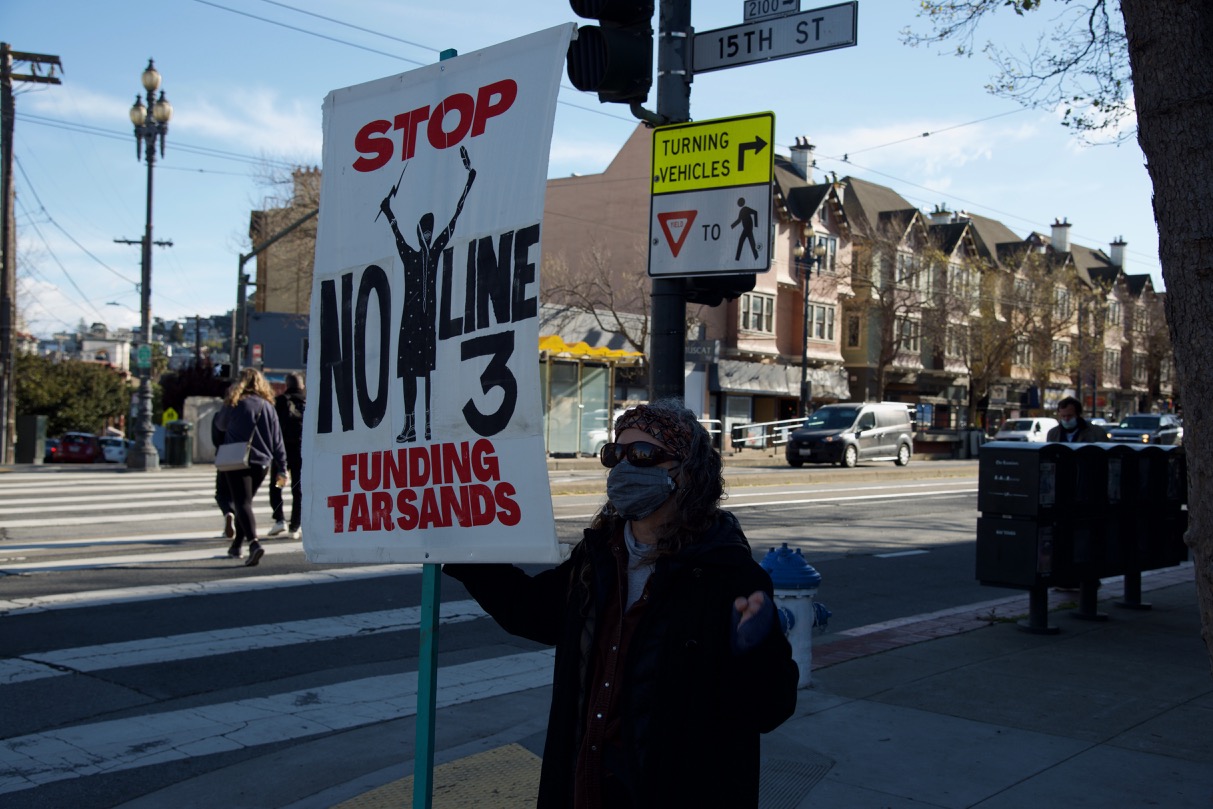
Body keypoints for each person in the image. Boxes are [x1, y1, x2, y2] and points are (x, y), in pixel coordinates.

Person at [445, 399, 798, 808]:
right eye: (615, 453)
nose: (624, 467)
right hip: (587, 788)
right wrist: (463, 555)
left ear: (687, 472)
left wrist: (758, 650)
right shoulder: (596, 558)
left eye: (643, 454)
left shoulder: (729, 576)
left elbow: (767, 711)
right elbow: (531, 612)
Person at [215, 368, 287, 566]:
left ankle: (254, 544)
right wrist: (282, 467)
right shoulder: (268, 406)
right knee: (245, 502)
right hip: (262, 463)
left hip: (237, 459)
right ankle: (236, 546)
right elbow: (277, 441)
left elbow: (220, 425)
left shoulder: (235, 402)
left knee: (242, 503)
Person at [267, 372, 305, 540]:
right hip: (300, 452)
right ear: (302, 385)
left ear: (286, 385)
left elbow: (272, 428)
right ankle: (295, 526)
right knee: (298, 490)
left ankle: (279, 519)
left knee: (277, 485)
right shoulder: (309, 402)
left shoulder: (281, 401)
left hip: (282, 453)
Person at [210, 385, 237, 541]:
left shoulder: (219, 416)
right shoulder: (245, 413)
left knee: (221, 492)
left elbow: (215, 440)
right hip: (243, 457)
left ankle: (228, 512)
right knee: (241, 495)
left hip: (224, 456)